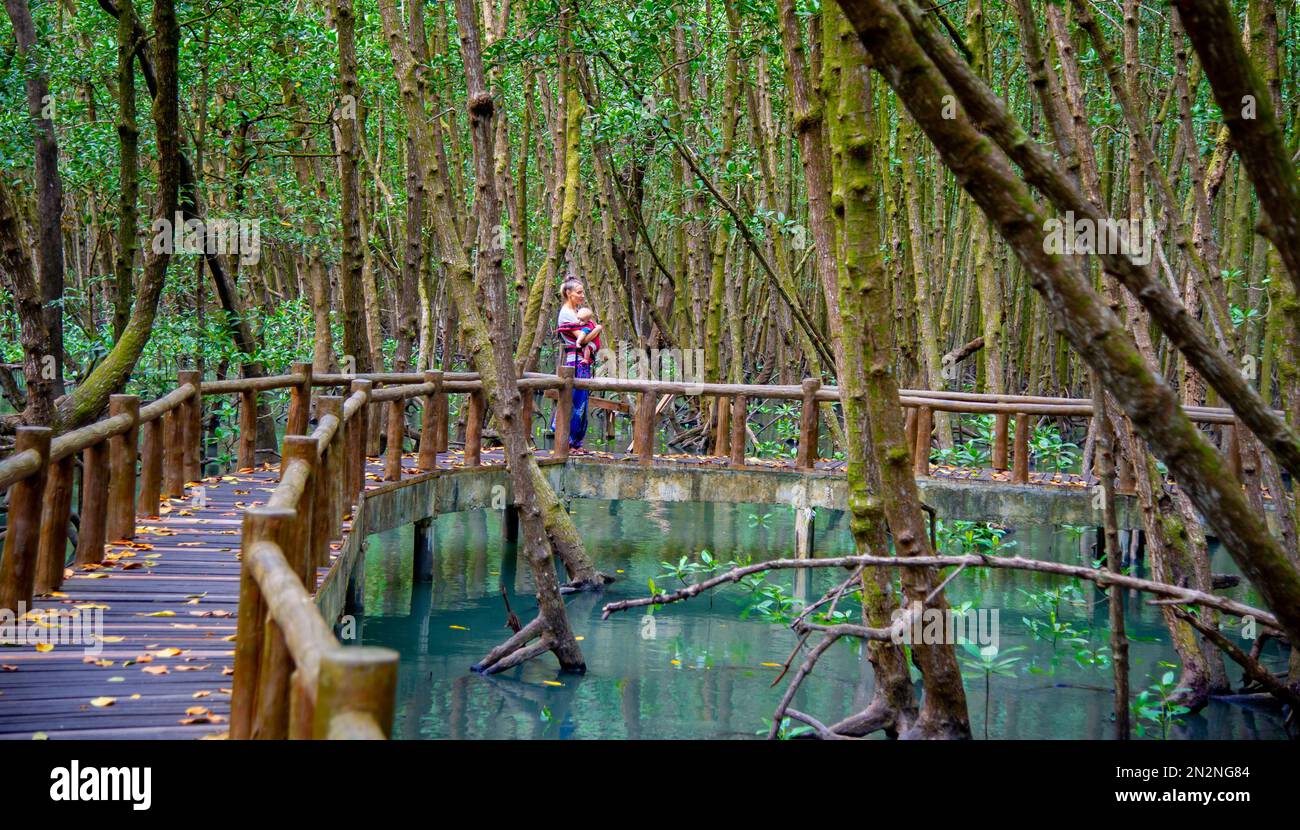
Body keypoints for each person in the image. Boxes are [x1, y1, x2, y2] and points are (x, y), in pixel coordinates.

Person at [553, 279, 602, 451]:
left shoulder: (577, 312)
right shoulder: (567, 313)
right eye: (578, 292)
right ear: (568, 293)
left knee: (581, 401)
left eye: (582, 292)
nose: (582, 296)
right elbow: (583, 340)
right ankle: (565, 441)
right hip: (575, 361)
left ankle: (575, 443)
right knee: (574, 400)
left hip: (583, 361)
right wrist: (597, 329)